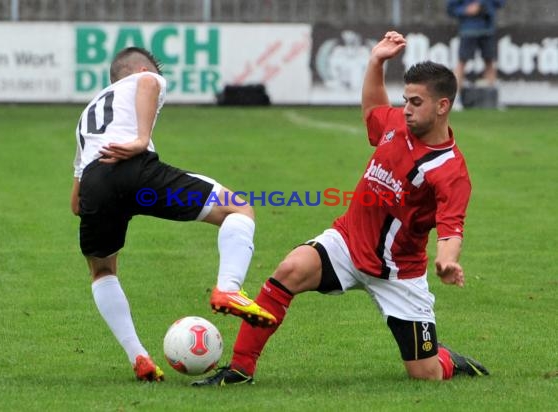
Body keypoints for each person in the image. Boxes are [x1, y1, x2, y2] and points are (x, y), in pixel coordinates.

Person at [193, 31, 489, 386]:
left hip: (399, 272)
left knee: (425, 374)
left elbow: (451, 227)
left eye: (416, 102)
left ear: (442, 106)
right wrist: (376, 61)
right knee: (289, 270)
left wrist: (447, 260)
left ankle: (447, 359)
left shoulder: (450, 170)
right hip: (347, 243)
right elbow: (373, 111)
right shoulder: (399, 124)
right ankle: (240, 370)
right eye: (406, 99)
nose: (406, 109)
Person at [70, 47, 276, 382]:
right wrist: (140, 140)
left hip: (95, 182)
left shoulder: (86, 119)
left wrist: (111, 205)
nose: (157, 78)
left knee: (103, 271)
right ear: (137, 69)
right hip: (136, 170)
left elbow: (76, 204)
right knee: (237, 206)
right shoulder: (145, 78)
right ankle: (228, 287)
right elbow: (149, 84)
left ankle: (138, 357)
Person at [447, 0, 506, 98]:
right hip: (469, 29)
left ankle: (492, 99)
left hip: (487, 29)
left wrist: (485, 5)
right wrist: (466, 10)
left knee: (490, 62)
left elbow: (500, 3)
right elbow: (450, 9)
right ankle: (455, 98)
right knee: (462, 62)